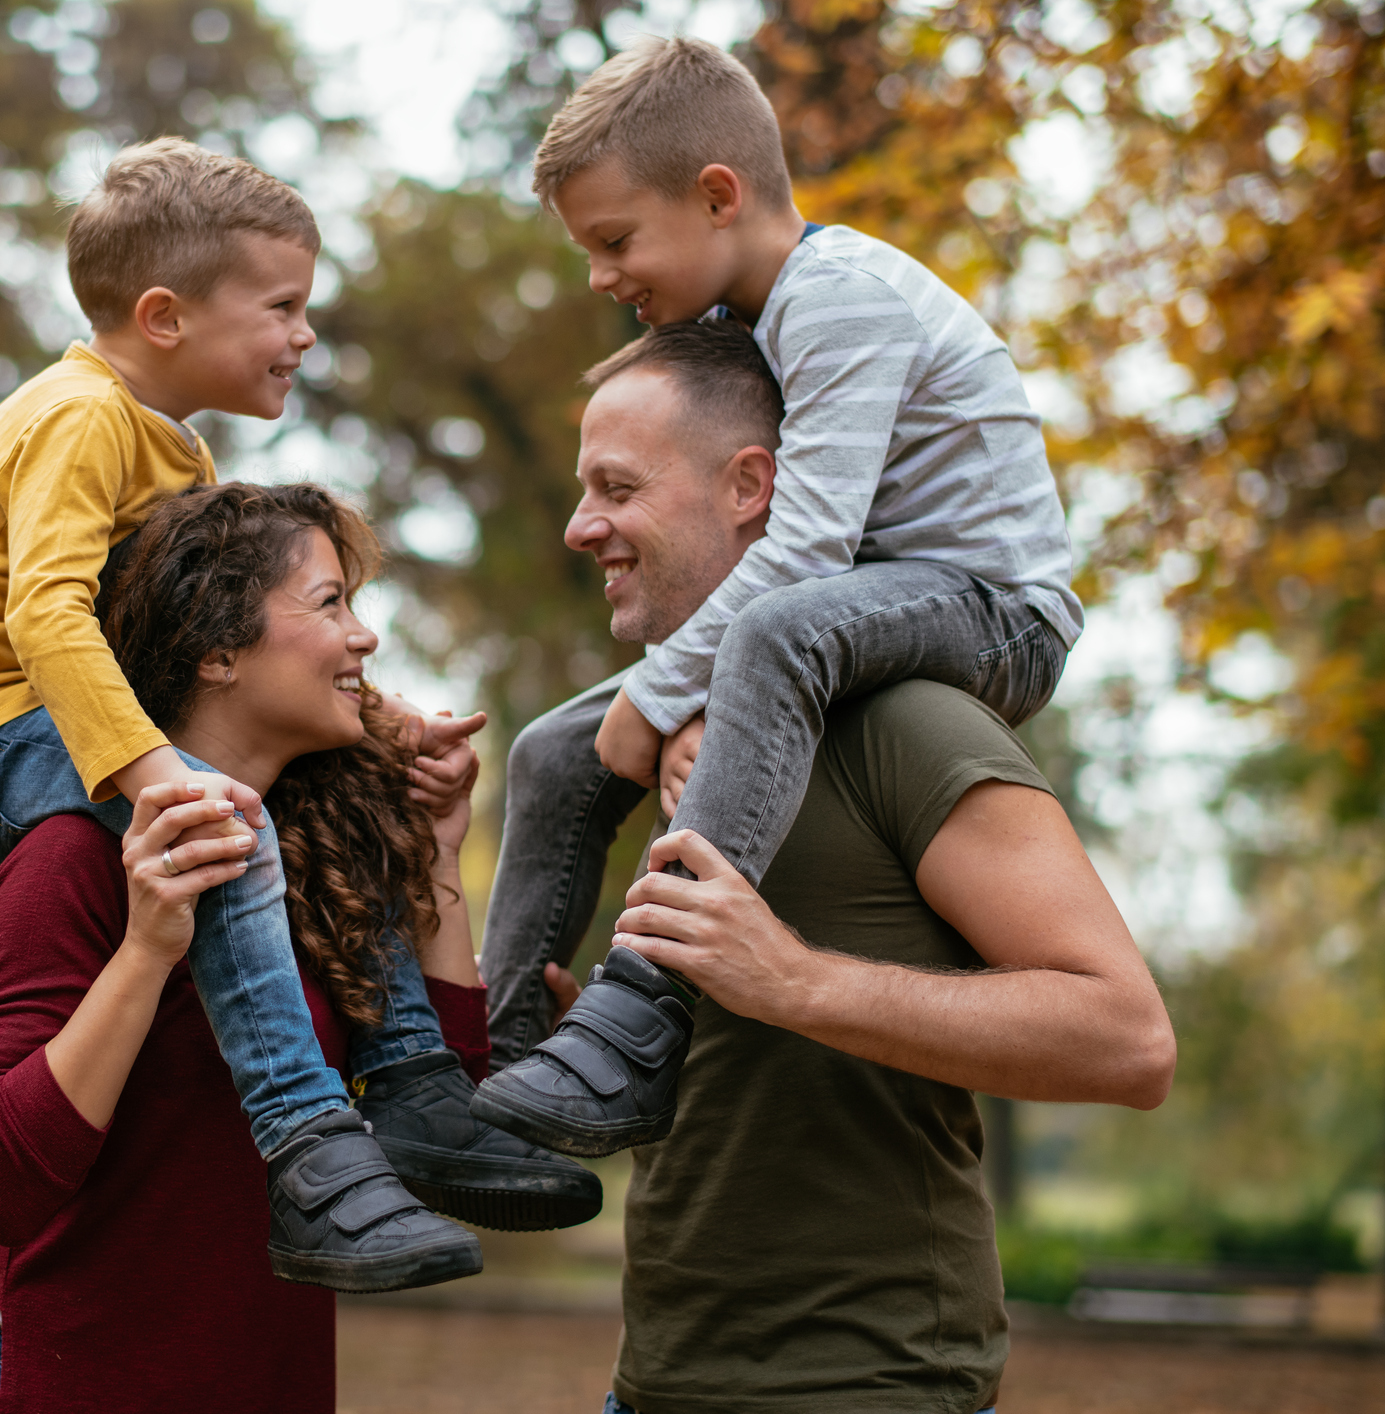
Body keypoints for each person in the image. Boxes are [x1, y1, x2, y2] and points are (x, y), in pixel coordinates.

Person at [0, 139, 584, 1290]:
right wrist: (161, 777)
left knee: (328, 785)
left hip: (60, 720)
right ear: (164, 315)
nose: (305, 334)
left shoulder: (179, 447)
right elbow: (47, 617)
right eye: (282, 306)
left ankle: (413, 1084)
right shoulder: (81, 418)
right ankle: (308, 1138)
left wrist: (385, 719)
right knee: (228, 819)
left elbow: (218, 629)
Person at [504, 332, 1176, 1411]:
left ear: (749, 486)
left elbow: (1128, 1038)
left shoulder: (906, 721)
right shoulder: (669, 736)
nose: (581, 525)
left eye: (616, 487)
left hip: (873, 1384)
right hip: (656, 1382)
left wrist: (795, 980)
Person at [473, 37, 1089, 1157]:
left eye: (614, 241)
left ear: (718, 196)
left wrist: (663, 695)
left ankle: (642, 1004)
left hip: (994, 611)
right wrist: (663, 705)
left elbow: (805, 551)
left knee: (758, 634)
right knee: (554, 751)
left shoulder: (840, 300)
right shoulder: (733, 325)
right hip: (856, 605)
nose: (601, 277)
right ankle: (503, 1066)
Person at [0, 483, 586, 1413]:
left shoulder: (316, 853)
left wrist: (436, 846)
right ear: (216, 651)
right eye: (330, 604)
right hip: (75, 1383)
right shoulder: (75, 855)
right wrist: (147, 950)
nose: (363, 637)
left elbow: (435, 1120)